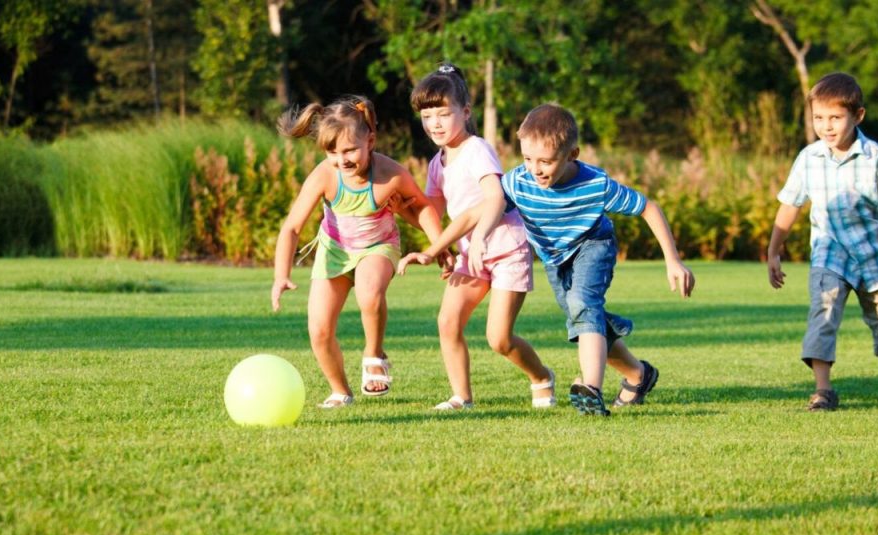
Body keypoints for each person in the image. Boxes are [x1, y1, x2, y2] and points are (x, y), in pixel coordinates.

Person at [402, 103, 694, 416]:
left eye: (546, 161)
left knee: (583, 304)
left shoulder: (596, 184)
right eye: (527, 159)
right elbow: (477, 211)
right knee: (584, 319)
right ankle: (638, 374)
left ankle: (591, 390)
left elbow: (648, 207)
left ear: (572, 154)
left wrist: (673, 260)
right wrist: (435, 250)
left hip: (593, 245)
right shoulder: (520, 181)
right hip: (555, 258)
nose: (536, 169)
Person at [272, 95, 444, 408]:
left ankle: (373, 353)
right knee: (319, 330)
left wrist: (439, 246)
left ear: (371, 141)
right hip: (334, 252)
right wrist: (281, 275)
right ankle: (340, 390)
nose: (342, 159)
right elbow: (292, 228)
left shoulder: (390, 174)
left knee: (369, 293)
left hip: (378, 247)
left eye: (350, 149)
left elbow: (422, 209)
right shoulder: (326, 175)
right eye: (332, 152)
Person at [404, 63, 554, 411]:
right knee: (447, 321)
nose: (435, 123)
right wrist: (432, 246)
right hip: (470, 253)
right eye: (428, 116)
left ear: (465, 112)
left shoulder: (477, 150)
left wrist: (481, 237)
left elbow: (495, 197)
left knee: (498, 339)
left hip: (505, 248)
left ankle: (541, 377)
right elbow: (433, 213)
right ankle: (462, 397)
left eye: (444, 114)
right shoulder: (436, 163)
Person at [767, 72, 878, 411]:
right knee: (823, 313)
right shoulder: (808, 158)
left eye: (835, 117)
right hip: (829, 254)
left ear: (857, 115)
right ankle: (823, 390)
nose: (826, 126)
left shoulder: (877, 157)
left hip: (874, 258)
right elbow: (790, 206)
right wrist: (774, 251)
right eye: (819, 117)